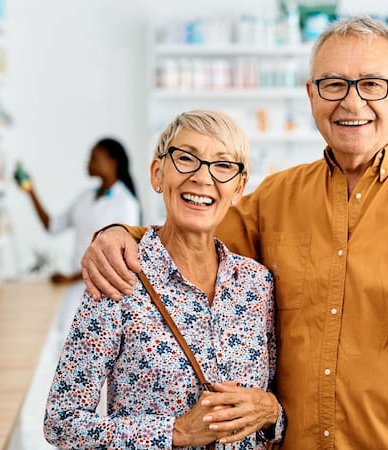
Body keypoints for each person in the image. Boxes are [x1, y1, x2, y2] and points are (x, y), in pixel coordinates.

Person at [79, 16, 388, 450]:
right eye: (334, 84)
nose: (352, 102)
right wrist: (120, 231)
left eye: (372, 84)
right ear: (311, 94)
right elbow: (193, 237)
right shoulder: (276, 197)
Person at [43, 110, 285, 449]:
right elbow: (61, 421)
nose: (203, 178)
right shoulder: (119, 275)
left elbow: (272, 407)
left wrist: (272, 411)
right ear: (158, 173)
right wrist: (176, 432)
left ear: (238, 188)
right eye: (186, 158)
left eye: (223, 165)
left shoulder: (256, 284)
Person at [15, 137, 140, 284]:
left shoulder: (126, 204)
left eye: (93, 157)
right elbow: (52, 226)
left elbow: (121, 258)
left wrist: (71, 278)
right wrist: (31, 192)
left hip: (106, 288)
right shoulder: (85, 197)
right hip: (78, 285)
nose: (88, 162)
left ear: (113, 162)